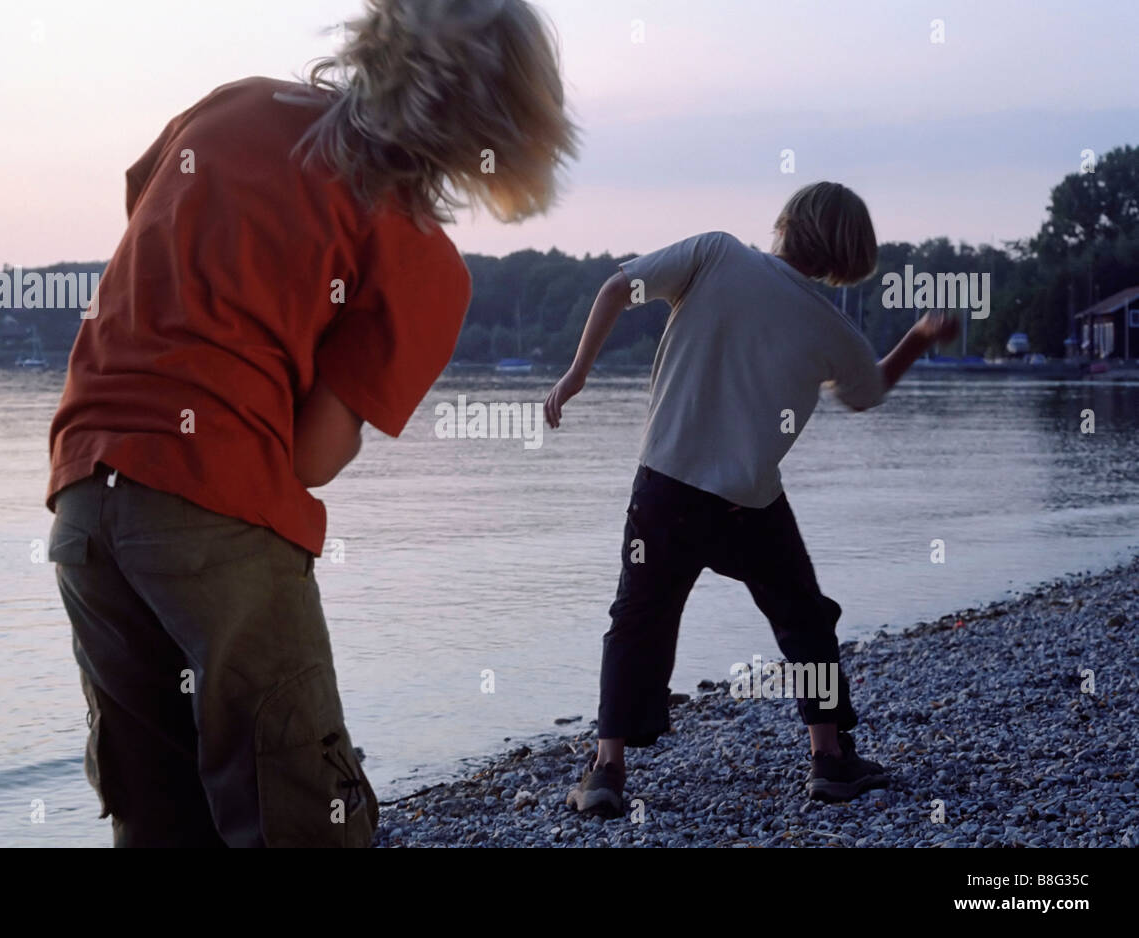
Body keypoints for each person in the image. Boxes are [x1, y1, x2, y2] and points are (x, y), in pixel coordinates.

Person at [46, 0, 577, 847]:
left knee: (153, 807)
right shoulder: (419, 257)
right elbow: (311, 456)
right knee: (294, 804)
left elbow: (149, 219)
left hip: (81, 494)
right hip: (219, 513)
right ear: (501, 123)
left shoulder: (228, 108)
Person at [544, 181, 958, 815]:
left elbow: (613, 289)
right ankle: (829, 759)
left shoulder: (716, 254)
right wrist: (921, 337)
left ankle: (606, 771)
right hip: (748, 505)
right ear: (844, 255)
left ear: (788, 223)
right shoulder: (831, 327)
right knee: (804, 620)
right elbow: (867, 393)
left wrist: (577, 375)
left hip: (665, 490)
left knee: (636, 622)